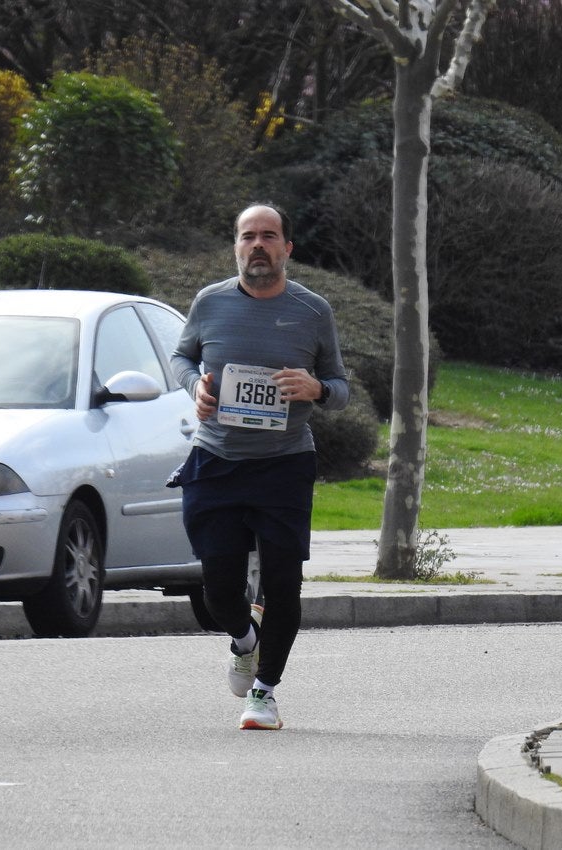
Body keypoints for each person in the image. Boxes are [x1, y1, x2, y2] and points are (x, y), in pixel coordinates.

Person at [169, 202, 349, 730]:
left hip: (283, 463)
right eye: (248, 236)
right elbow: (182, 358)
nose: (258, 245)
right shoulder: (210, 303)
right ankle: (245, 639)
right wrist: (195, 387)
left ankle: (265, 693)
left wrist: (316, 388)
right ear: (236, 247)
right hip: (217, 459)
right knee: (218, 589)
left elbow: (340, 389)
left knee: (283, 581)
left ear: (287, 248)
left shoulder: (313, 311)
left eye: (269, 236)